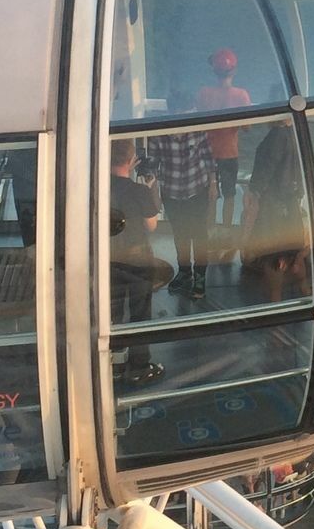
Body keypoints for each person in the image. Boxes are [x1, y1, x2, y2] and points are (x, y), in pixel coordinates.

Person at [108, 137, 169, 384]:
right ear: (131, 161)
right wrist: (150, 188)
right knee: (140, 313)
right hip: (136, 262)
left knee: (111, 312)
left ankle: (113, 363)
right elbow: (151, 225)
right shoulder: (139, 191)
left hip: (106, 260)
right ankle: (139, 366)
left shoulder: (95, 188)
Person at [141, 129, 216, 299]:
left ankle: (200, 275)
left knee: (199, 234)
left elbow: (208, 158)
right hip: (171, 194)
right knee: (179, 233)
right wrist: (154, 195)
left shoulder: (197, 131)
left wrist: (213, 184)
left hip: (198, 190)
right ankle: (184, 271)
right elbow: (151, 167)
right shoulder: (159, 135)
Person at [241, 123, 310, 305]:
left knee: (273, 257)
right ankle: (306, 292)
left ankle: (275, 300)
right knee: (292, 253)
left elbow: (267, 167)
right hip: (289, 202)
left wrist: (254, 192)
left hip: (273, 205)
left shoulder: (277, 136)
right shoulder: (295, 132)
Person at [193, 48, 252, 240]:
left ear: (214, 71)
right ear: (233, 71)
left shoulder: (204, 93)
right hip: (229, 152)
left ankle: (209, 230)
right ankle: (226, 230)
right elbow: (247, 127)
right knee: (229, 194)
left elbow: (199, 121)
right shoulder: (241, 95)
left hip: (207, 153)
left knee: (210, 194)